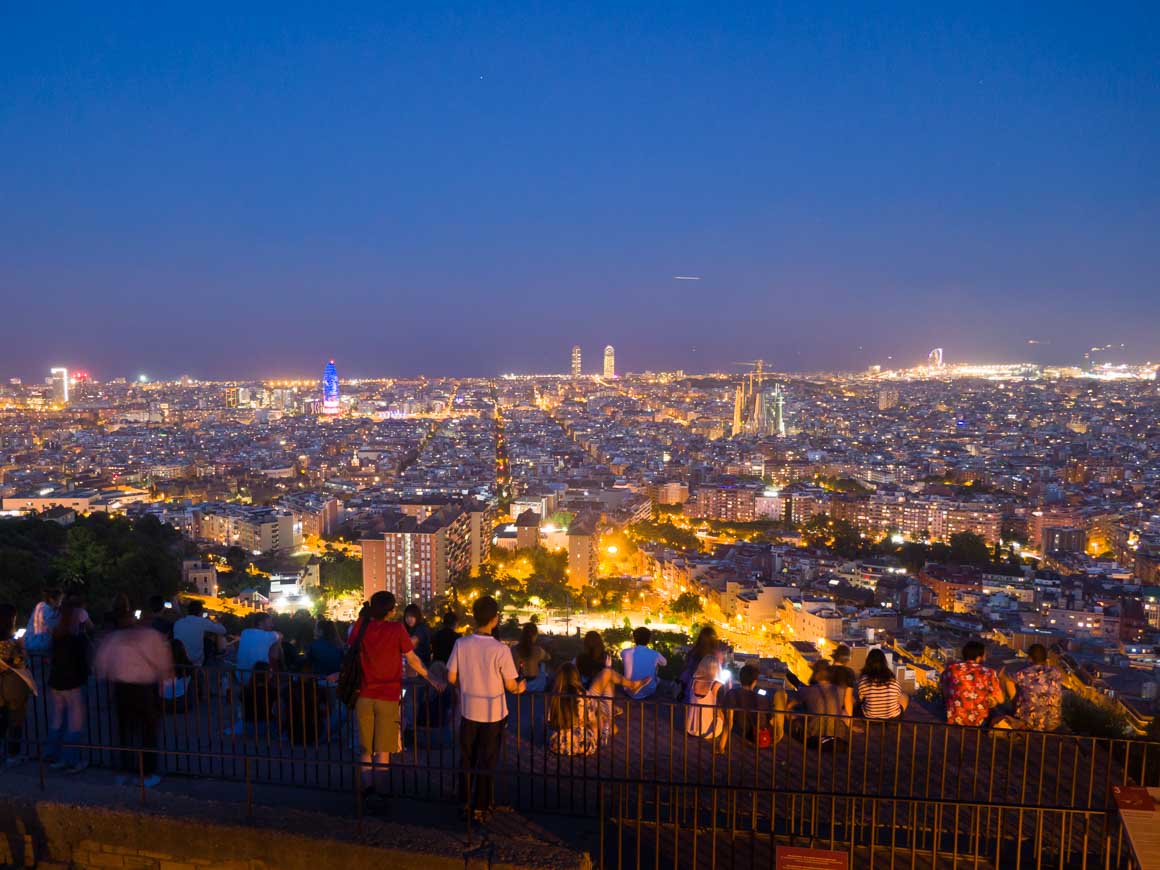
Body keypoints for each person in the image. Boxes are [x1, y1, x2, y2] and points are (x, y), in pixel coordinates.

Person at [352, 591, 440, 804]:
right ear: (391, 611)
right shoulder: (396, 629)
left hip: (363, 694)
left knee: (366, 747)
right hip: (388, 695)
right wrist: (433, 679)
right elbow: (412, 660)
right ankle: (380, 793)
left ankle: (367, 790)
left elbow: (350, 651)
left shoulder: (360, 627)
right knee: (382, 748)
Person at [447, 596, 525, 822]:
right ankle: (481, 806)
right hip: (493, 714)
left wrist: (468, 685)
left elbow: (451, 677)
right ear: (495, 619)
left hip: (468, 711)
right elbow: (511, 685)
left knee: (467, 758)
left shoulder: (461, 644)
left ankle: (464, 801)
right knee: (487, 760)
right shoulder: (501, 649)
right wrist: (521, 686)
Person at [93, 598, 174, 787]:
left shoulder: (113, 638)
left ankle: (124, 771)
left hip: (121, 689)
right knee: (148, 732)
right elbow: (163, 664)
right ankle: (146, 773)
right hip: (145, 690)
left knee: (124, 732)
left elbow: (100, 666)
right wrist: (165, 681)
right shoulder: (152, 636)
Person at [45, 596, 91, 772]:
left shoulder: (56, 634)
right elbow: (84, 661)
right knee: (74, 722)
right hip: (73, 683)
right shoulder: (77, 638)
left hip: (56, 682)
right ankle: (70, 760)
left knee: (57, 719)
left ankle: (51, 754)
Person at [941, 640, 1004, 727]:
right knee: (996, 705)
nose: (986, 657)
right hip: (980, 722)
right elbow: (1001, 699)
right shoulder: (989, 672)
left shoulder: (951, 669)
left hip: (955, 719)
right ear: (979, 657)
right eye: (984, 655)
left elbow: (944, 692)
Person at [0, 604, 33, 766]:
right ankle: (13, 755)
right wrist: (22, 647)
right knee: (15, 721)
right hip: (13, 685)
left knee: (2, 719)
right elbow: (19, 661)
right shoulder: (11, 642)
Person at [793, 663, 854, 745]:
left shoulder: (806, 690)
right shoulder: (840, 690)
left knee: (796, 715)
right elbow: (849, 703)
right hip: (836, 735)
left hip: (813, 736)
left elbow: (789, 706)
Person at [547, 663, 599, 757]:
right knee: (599, 718)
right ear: (576, 677)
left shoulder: (555, 696)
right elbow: (593, 722)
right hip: (583, 745)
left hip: (558, 745)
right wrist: (595, 738)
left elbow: (549, 720)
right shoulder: (585, 695)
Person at [1011, 644, 1063, 731]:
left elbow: (1008, 679)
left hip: (1029, 721)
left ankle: (1015, 712)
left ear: (1030, 658)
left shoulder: (1024, 673)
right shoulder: (1056, 673)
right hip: (1053, 722)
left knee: (1009, 682)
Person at [685, 655, 729, 753]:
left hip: (692, 728)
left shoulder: (693, 681)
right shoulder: (716, 685)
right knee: (727, 719)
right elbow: (719, 709)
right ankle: (721, 747)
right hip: (709, 731)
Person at [722, 664, 772, 743]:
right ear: (754, 682)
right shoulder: (763, 699)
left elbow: (729, 721)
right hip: (759, 738)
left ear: (740, 679)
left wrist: (721, 746)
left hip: (737, 733)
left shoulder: (731, 694)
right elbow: (769, 719)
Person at [173, 600, 227, 669]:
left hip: (178, 660)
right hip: (195, 661)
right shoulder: (203, 622)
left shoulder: (178, 622)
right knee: (211, 636)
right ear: (200, 612)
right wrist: (217, 622)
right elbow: (223, 630)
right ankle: (218, 655)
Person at [857, 649, 908, 720]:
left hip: (870, 718)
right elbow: (897, 695)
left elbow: (861, 698)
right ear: (884, 662)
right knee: (904, 696)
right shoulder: (893, 680)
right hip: (892, 718)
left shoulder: (864, 680)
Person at [622, 626, 667, 700]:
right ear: (649, 640)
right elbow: (664, 663)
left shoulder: (625, 652)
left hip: (629, 689)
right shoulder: (655, 654)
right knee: (657, 677)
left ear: (634, 638)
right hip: (649, 689)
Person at [680, 627, 720, 697]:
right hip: (709, 693)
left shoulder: (692, 653)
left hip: (690, 690)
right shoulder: (715, 657)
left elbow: (685, 672)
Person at [24, 588, 63, 656]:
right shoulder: (51, 612)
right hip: (43, 647)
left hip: (29, 643)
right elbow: (54, 630)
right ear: (52, 600)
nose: (60, 603)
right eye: (60, 600)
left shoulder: (39, 606)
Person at [514, 622, 549, 692]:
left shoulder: (513, 649)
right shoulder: (538, 650)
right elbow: (548, 657)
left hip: (517, 683)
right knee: (543, 664)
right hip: (536, 685)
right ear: (535, 636)